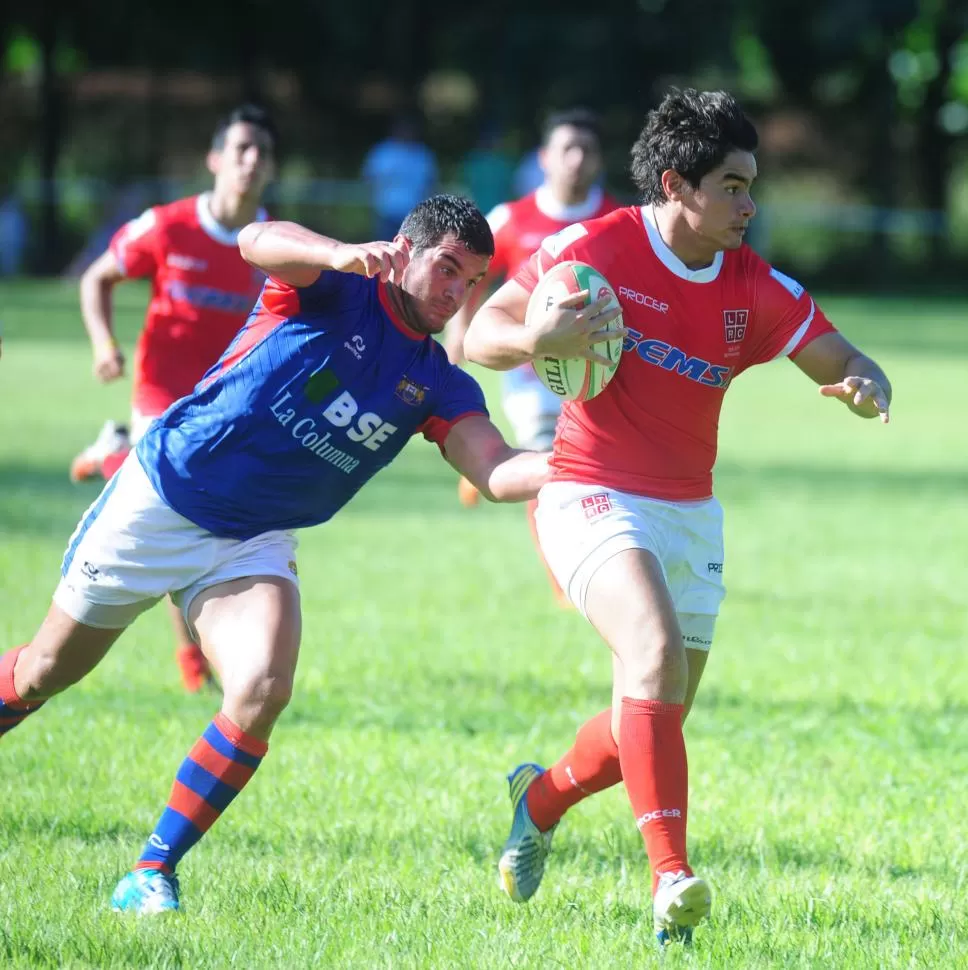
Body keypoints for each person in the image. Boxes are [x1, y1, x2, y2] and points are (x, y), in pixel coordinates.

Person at [0, 195, 552, 915]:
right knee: (46, 671)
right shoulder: (335, 288)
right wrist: (335, 252)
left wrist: (583, 461)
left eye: (472, 281)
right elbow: (256, 238)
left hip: (252, 540)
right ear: (404, 250)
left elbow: (495, 469)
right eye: (446, 268)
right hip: (164, 499)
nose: (456, 292)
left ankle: (150, 872)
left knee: (261, 688)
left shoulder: (440, 381)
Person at [463, 89, 892, 946]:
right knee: (651, 656)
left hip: (690, 511)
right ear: (676, 185)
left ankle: (538, 797)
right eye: (732, 186)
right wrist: (543, 335)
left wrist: (863, 379)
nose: (750, 204)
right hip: (587, 489)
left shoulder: (751, 283)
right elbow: (482, 334)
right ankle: (672, 881)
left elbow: (837, 351)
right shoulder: (597, 249)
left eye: (752, 185)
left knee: (651, 715)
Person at [70, 104, 278, 692]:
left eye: (262, 150)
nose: (251, 159)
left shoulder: (274, 244)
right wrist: (103, 343)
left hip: (230, 408)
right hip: (162, 394)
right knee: (176, 513)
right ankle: (193, 660)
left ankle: (115, 453)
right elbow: (96, 277)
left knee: (196, 531)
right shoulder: (168, 225)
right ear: (215, 160)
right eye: (240, 148)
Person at [446, 108, 618, 606]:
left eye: (587, 150)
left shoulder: (614, 220)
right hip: (529, 371)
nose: (578, 159)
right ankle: (562, 581)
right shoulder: (511, 218)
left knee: (596, 467)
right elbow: (471, 278)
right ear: (544, 158)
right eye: (568, 148)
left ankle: (481, 469)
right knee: (552, 461)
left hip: (598, 371)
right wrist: (461, 332)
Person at [362, 116, 439, 241]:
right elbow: (370, 179)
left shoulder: (422, 154)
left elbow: (430, 184)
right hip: (387, 212)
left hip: (415, 214)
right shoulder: (383, 152)